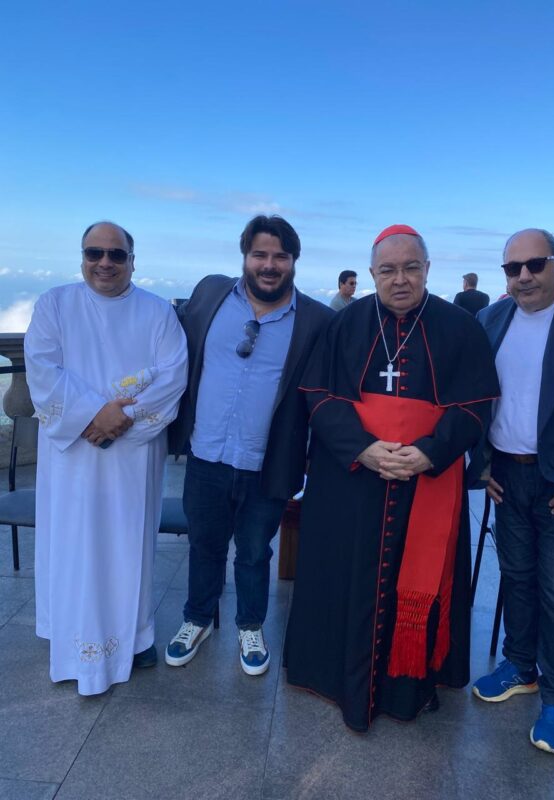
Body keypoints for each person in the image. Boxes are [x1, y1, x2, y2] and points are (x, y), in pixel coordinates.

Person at [285, 224, 499, 731]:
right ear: (372, 273)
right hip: (352, 478)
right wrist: (363, 448)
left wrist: (429, 452)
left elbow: (475, 404)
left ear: (427, 269)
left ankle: (408, 689)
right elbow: (319, 395)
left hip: (426, 478)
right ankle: (338, 678)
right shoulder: (344, 324)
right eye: (388, 270)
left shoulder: (460, 326)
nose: (399, 279)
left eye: (410, 268)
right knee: (344, 574)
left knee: (416, 577)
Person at [24, 221, 188, 695]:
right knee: (73, 544)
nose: (105, 263)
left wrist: (117, 421)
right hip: (74, 455)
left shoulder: (158, 313)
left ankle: (135, 638)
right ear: (82, 257)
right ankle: (71, 638)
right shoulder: (55, 304)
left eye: (117, 255)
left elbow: (173, 375)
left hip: (132, 458)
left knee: (127, 544)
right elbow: (42, 368)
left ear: (133, 261)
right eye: (95, 253)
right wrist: (97, 413)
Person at [166, 215, 333, 675]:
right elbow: (166, 347)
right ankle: (197, 619)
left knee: (256, 551)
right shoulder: (210, 296)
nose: (270, 264)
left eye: (281, 255)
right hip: (206, 454)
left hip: (268, 463)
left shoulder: (317, 319)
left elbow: (328, 392)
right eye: (260, 254)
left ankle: (250, 626)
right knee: (204, 544)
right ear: (245, 256)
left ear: (294, 261)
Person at [470, 229, 554, 754]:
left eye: (534, 264)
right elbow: (476, 396)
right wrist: (480, 462)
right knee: (517, 578)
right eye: (512, 268)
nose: (523, 275)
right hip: (508, 473)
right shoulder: (493, 319)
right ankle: (520, 664)